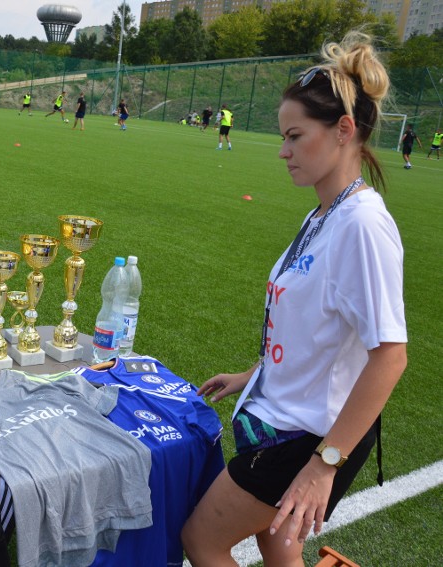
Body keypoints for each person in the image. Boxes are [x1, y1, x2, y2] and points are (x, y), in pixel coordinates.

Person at [181, 32, 407, 566]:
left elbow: (390, 355)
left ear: (344, 131)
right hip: (287, 418)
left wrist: (323, 464)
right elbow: (314, 326)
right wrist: (253, 374)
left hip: (313, 437)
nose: (283, 151)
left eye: (295, 136)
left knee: (202, 539)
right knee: (276, 542)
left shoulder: (362, 225)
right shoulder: (322, 214)